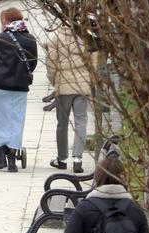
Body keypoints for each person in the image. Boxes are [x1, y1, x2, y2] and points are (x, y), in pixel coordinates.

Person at [0, 8, 38, 172]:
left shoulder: (2, 37)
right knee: (17, 120)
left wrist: (3, 32)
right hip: (21, 86)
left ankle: (1, 156)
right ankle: (12, 159)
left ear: (6, 21)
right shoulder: (30, 39)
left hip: (1, 84)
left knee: (1, 119)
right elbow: (34, 62)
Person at [45, 23, 93, 173]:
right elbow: (93, 59)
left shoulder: (55, 37)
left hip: (64, 86)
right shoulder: (86, 36)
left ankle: (62, 159)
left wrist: (54, 81)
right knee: (81, 121)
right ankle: (77, 158)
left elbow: (51, 64)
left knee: (62, 124)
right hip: (82, 86)